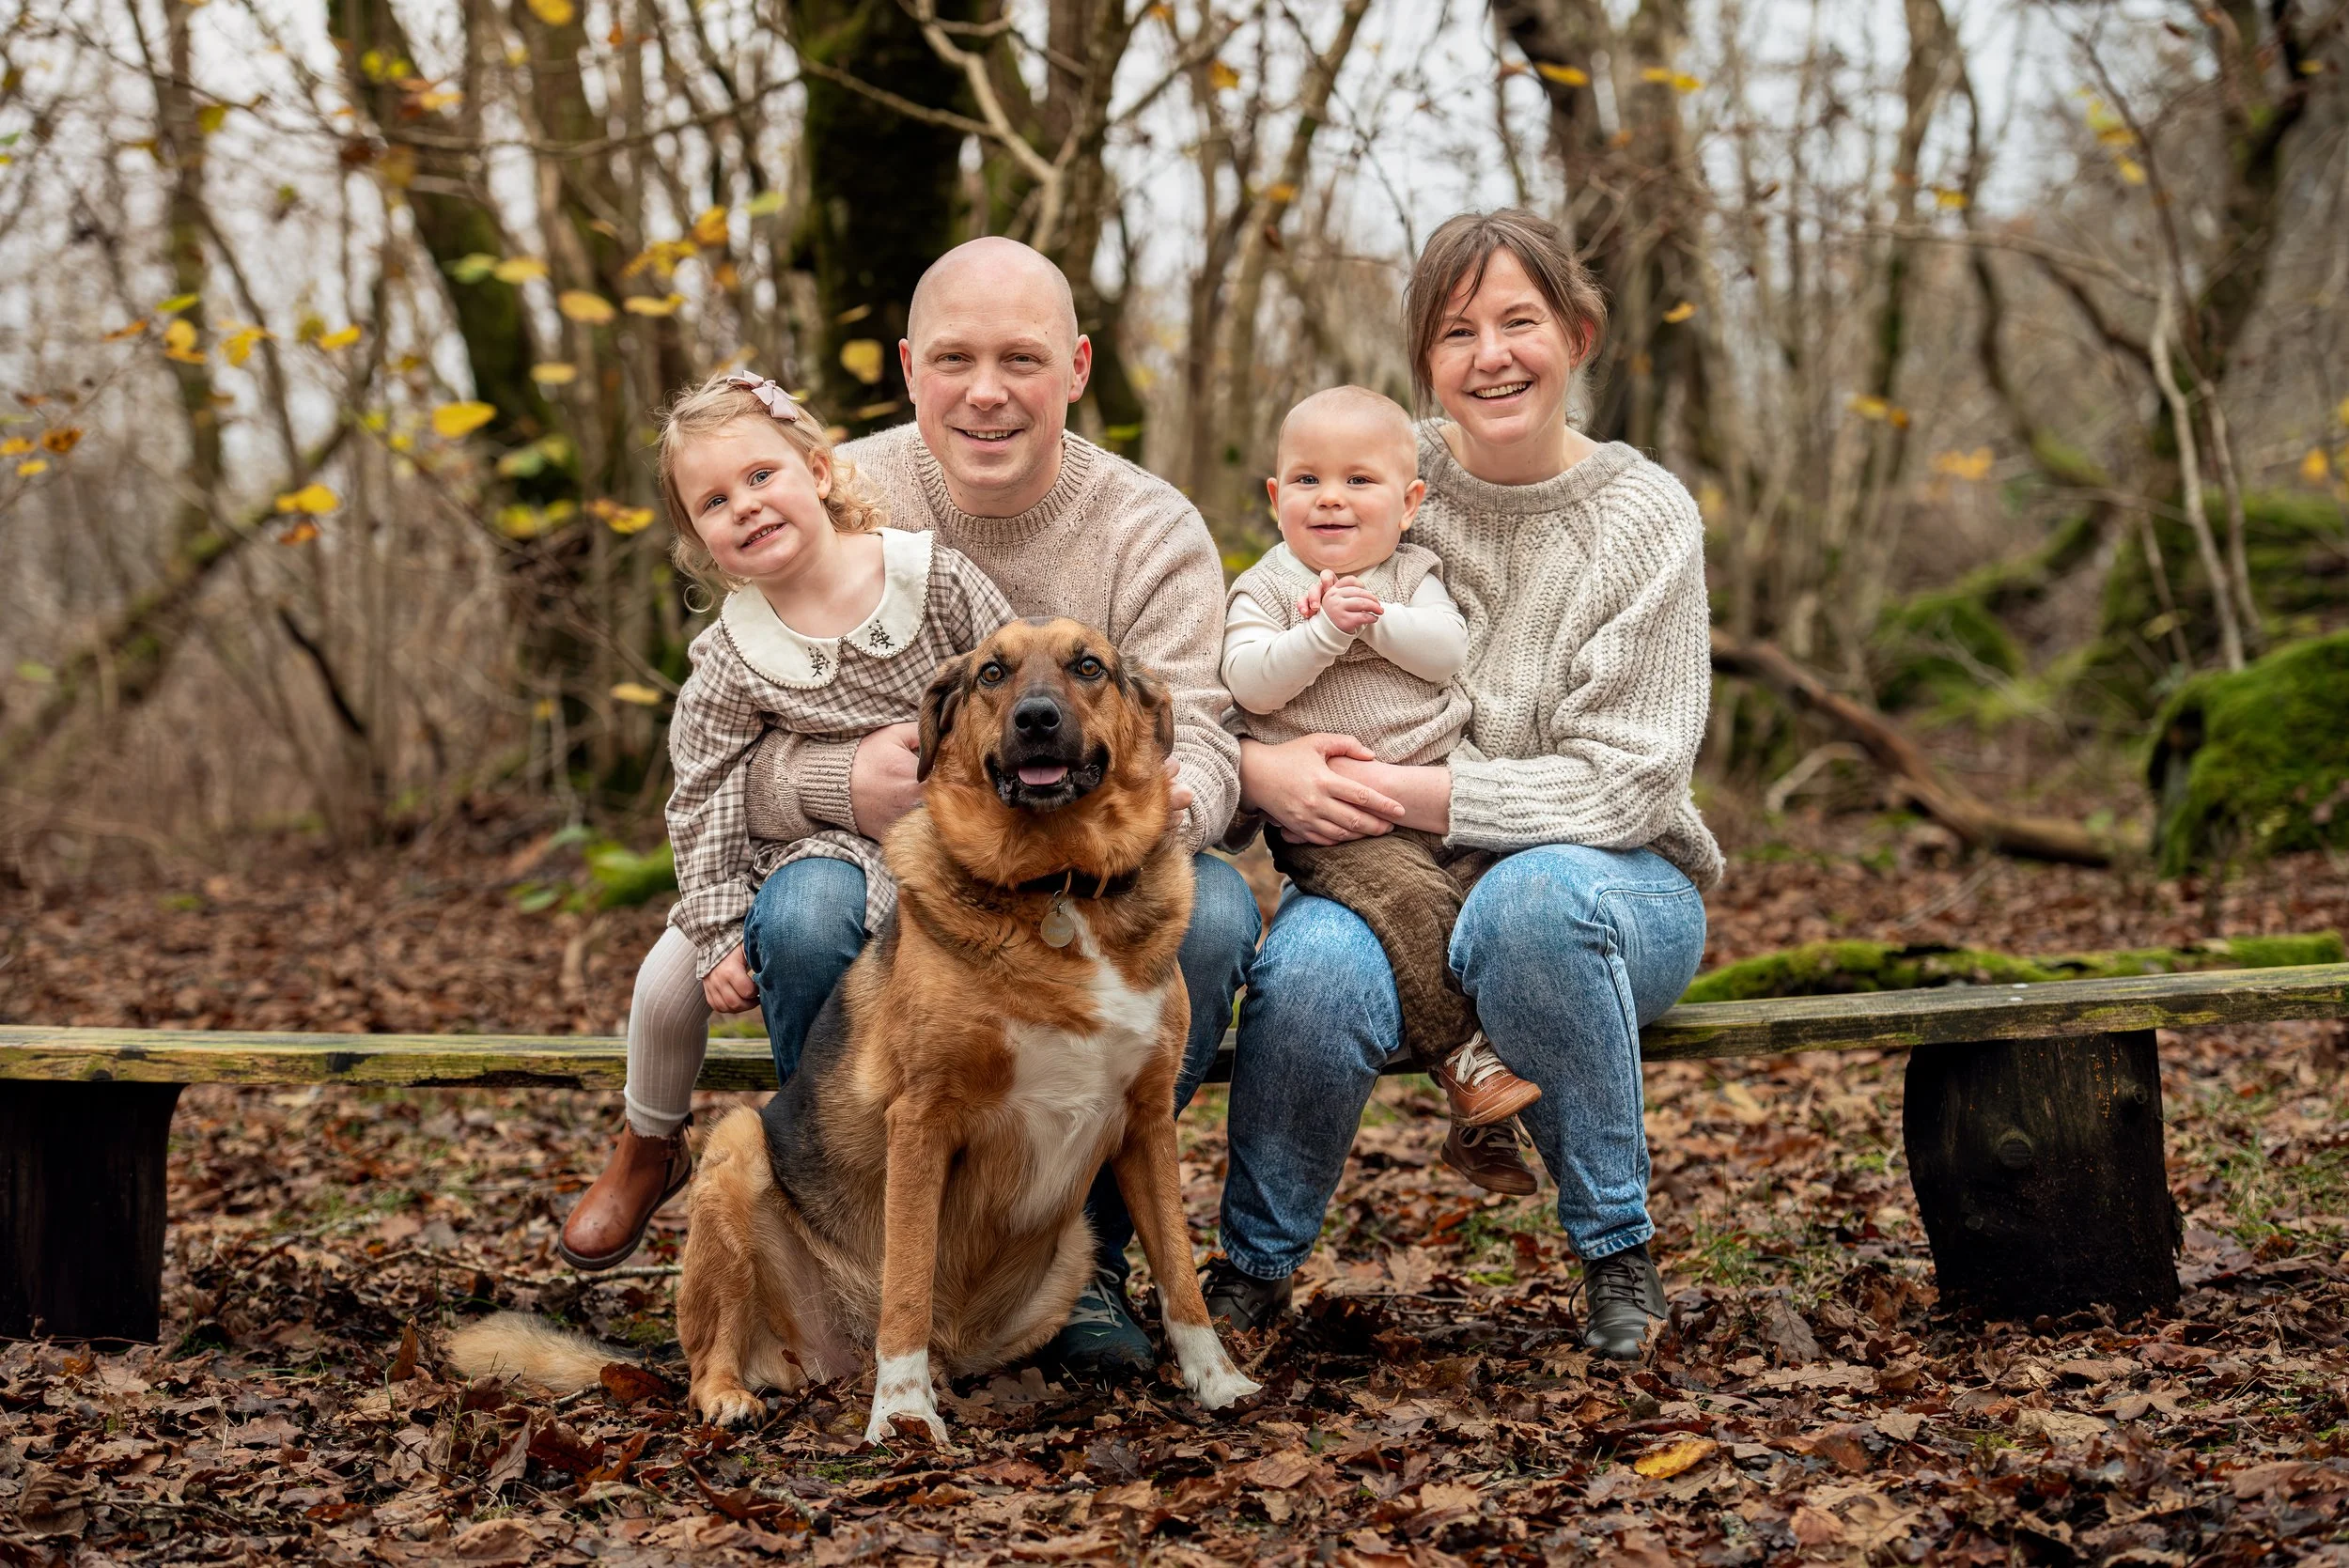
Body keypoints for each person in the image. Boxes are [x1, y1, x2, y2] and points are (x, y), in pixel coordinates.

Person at [733, 238, 1260, 1379]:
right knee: (803, 912)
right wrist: (839, 783)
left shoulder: (1150, 524)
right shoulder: (825, 501)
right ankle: (855, 1256)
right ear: (912, 369)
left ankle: (1083, 1275)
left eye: (1020, 358)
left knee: (1212, 914)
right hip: (884, 860)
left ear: (1073, 367)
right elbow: (732, 737)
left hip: (1103, 872)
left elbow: (1202, 733)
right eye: (956, 359)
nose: (986, 391)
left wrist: (1157, 814)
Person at [1205, 210, 1720, 1361]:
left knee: (1527, 905)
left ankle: (1615, 1250)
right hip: (1386, 880)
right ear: (1425, 363)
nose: (1490, 354)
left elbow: (1627, 784)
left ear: (1577, 335)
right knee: (1309, 972)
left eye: (1519, 322)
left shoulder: (1642, 521)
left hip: (1612, 887)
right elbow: (1236, 663)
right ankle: (1250, 1270)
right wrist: (1261, 770)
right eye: (1456, 331)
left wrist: (1408, 793)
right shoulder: (1368, 470)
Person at [557, 370, 1014, 1271]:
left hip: (941, 848)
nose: (747, 507)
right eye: (715, 502)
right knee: (663, 988)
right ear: (700, 541)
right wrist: (721, 925)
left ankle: (917, 1169)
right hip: (790, 858)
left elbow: (1016, 676)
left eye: (762, 476)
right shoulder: (732, 652)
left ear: (818, 470)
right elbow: (704, 790)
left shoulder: (931, 578)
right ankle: (653, 1146)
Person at [1221, 385, 1543, 1192]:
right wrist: (1322, 632)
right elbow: (1251, 684)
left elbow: (1444, 652)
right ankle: (1466, 1063)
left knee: (1501, 920)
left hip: (1447, 800)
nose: (1331, 497)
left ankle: (1489, 1134)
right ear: (1275, 497)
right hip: (1338, 822)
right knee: (1409, 906)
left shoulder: (1412, 574)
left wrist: (1374, 620)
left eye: (1358, 481)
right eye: (1307, 480)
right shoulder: (1265, 587)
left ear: (1408, 505)